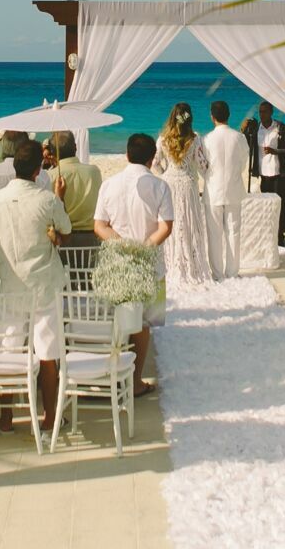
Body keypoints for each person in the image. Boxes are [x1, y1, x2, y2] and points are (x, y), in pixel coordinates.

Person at [0, 139, 71, 433]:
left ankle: (7, 416)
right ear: (39, 169)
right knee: (48, 352)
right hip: (43, 282)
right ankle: (50, 416)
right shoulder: (47, 199)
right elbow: (66, 228)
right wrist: (59, 198)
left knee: (8, 348)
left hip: (10, 283)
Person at [94, 133, 174, 397]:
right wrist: (145, 247)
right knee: (143, 322)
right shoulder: (160, 186)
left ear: (127, 155)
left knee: (119, 316)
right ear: (152, 159)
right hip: (149, 262)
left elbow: (100, 226)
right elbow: (166, 226)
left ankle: (116, 374)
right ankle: (135, 379)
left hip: (117, 261)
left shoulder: (109, 184)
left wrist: (121, 243)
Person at [151, 104, 213, 289]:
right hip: (187, 185)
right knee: (188, 224)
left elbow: (154, 163)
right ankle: (190, 266)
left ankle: (171, 264)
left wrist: (165, 174)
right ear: (189, 118)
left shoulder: (163, 139)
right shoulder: (195, 139)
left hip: (169, 183)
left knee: (171, 223)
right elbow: (203, 166)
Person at [198, 99, 249, 279]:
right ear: (228, 116)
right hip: (234, 189)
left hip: (213, 191)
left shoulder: (206, 139)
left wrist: (209, 178)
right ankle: (232, 272)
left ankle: (218, 273)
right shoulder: (239, 137)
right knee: (234, 232)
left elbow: (201, 166)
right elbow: (243, 162)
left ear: (212, 117)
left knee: (214, 234)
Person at [50, 130, 103, 249]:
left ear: (53, 153)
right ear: (75, 147)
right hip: (92, 240)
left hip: (62, 239)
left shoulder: (51, 176)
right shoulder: (94, 172)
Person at [252, 102, 285, 246]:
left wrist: (274, 151)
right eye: (260, 112)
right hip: (264, 174)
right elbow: (246, 143)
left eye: (264, 112)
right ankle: (268, 234)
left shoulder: (281, 128)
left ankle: (280, 235)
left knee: (281, 206)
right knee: (267, 206)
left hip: (279, 174)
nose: (262, 115)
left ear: (271, 112)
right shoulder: (256, 128)